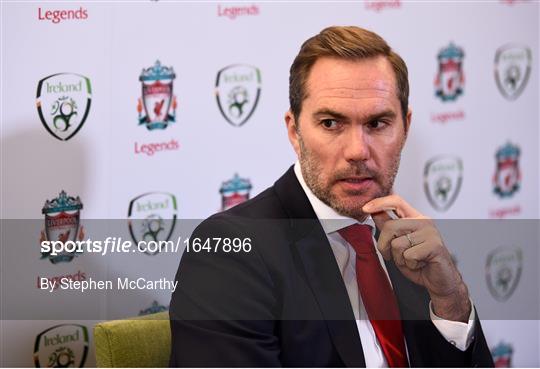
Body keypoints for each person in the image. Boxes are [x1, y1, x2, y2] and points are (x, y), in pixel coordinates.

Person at [169, 26, 494, 367]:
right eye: (330, 123)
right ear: (294, 131)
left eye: (378, 123)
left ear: (405, 128)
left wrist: (451, 303)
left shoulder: (411, 245)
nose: (357, 151)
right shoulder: (230, 250)